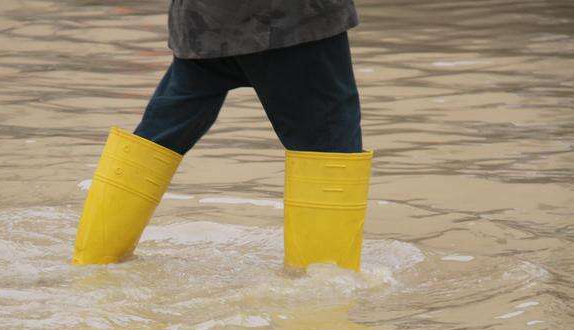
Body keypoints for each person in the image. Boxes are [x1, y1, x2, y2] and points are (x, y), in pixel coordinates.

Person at [73, 0, 373, 271]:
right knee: (329, 147)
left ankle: (92, 262)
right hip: (289, 20)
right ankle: (324, 292)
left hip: (203, 19)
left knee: (161, 134)